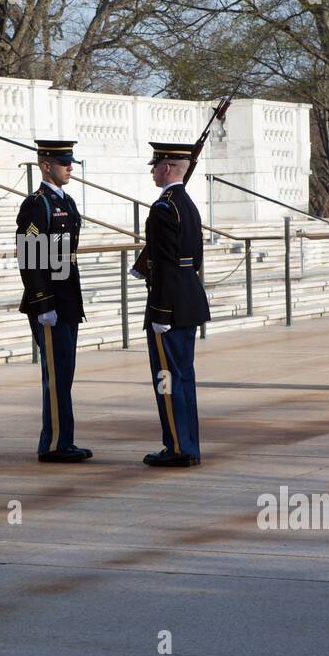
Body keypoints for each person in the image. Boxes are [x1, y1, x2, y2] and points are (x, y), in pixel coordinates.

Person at [130, 142, 211, 467]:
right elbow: (193, 259)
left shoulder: (163, 208)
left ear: (166, 168)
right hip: (189, 301)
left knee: (167, 378)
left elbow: (164, 263)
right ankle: (188, 443)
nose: (152, 171)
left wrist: (160, 313)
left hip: (169, 308)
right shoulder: (187, 204)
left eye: (155, 166)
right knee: (184, 377)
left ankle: (177, 447)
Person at [16, 140, 93, 462]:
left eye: (70, 162)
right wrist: (43, 302)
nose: (70, 167)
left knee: (65, 373)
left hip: (67, 299)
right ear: (46, 166)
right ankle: (54, 444)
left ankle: (63, 440)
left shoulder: (67, 201)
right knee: (57, 374)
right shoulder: (37, 204)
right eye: (63, 163)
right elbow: (30, 256)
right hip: (49, 303)